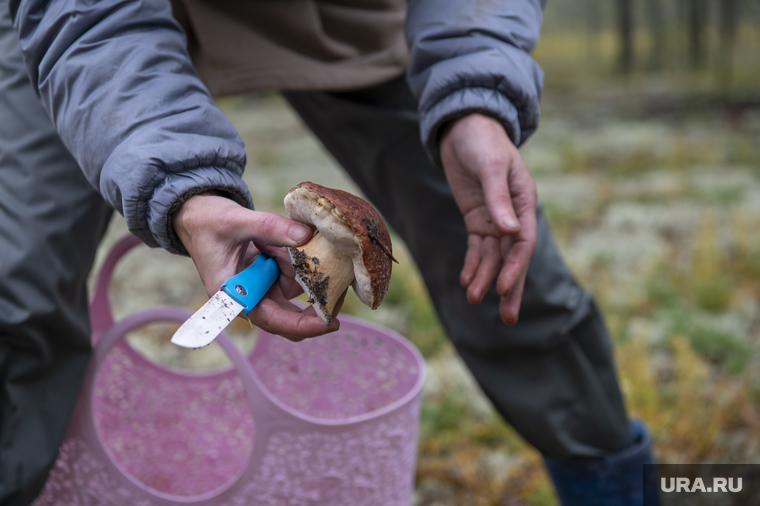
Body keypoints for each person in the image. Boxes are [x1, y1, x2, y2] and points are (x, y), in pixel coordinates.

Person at [1, 0, 656, 504]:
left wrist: (475, 94)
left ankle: (616, 488)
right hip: (94, 35)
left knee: (508, 266)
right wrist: (183, 190)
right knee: (15, 290)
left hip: (356, 19)